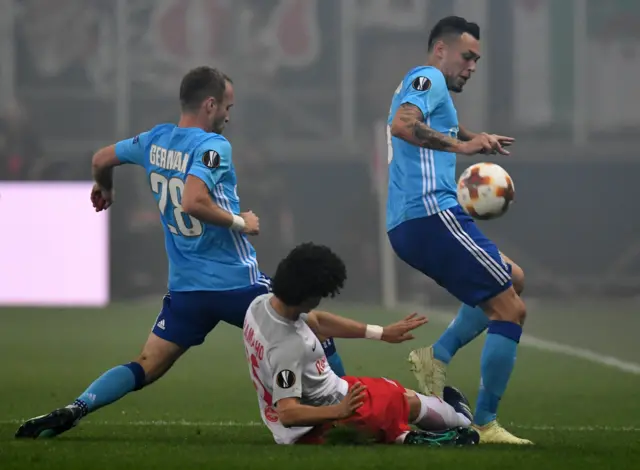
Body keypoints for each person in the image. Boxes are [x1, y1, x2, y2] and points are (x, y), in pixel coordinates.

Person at [15, 66, 345, 439]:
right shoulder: (212, 147)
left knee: (146, 364)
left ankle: (75, 408)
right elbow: (193, 201)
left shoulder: (154, 141)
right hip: (236, 284)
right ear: (209, 104)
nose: (228, 116)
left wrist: (103, 188)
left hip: (187, 291)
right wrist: (241, 222)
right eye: (226, 107)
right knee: (313, 327)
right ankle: (354, 413)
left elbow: (100, 159)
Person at [385, 16, 531, 444]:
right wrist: (462, 146)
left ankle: (437, 355)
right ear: (440, 51)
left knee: (514, 280)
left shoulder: (428, 87)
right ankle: (485, 423)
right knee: (510, 310)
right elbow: (403, 125)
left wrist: (472, 134)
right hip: (432, 214)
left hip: (414, 222)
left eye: (477, 60)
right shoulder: (428, 77)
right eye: (467, 56)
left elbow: (429, 122)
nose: (472, 65)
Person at [243, 242, 480, 446]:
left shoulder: (260, 305)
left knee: (390, 399)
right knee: (401, 398)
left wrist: (381, 332)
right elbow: (288, 412)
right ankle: (461, 420)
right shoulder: (287, 347)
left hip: (303, 420)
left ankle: (399, 435)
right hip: (329, 415)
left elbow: (318, 322)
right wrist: (338, 411)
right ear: (307, 297)